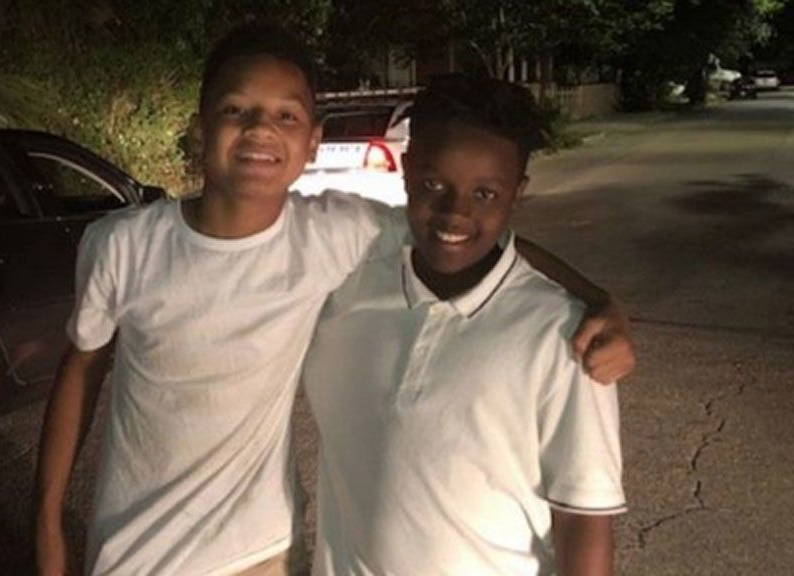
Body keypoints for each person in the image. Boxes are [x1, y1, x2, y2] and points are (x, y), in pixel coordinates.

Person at [35, 23, 634, 576]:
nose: (260, 129)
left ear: (312, 140)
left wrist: (596, 299)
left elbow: (471, 229)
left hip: (261, 553)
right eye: (236, 110)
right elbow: (82, 366)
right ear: (201, 124)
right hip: (134, 555)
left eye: (286, 115)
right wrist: (47, 521)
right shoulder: (122, 244)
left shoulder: (331, 234)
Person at [302, 74, 627, 576]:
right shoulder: (348, 283)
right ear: (406, 170)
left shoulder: (564, 336)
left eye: (485, 193)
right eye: (434, 185)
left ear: (516, 193)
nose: (455, 213)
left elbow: (583, 519)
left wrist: (599, 300)